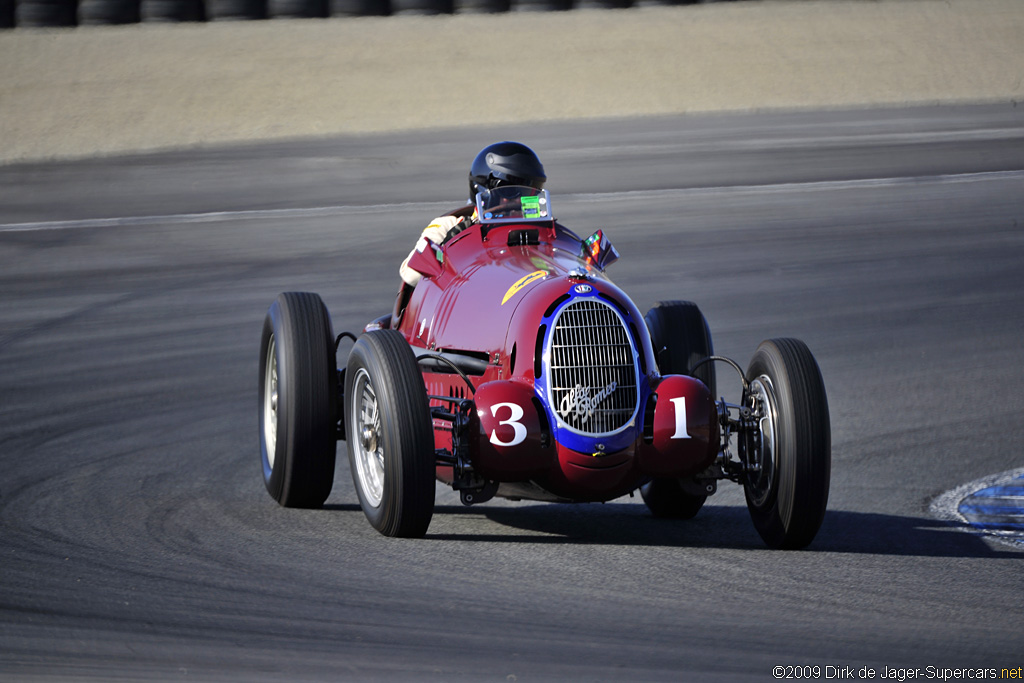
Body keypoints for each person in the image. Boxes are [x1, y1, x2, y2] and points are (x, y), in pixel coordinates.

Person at [398, 141, 547, 287]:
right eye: (512, 191)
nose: (520, 200)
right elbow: (411, 275)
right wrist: (453, 242)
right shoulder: (448, 225)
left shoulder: (543, 231)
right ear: (486, 191)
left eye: (530, 193)